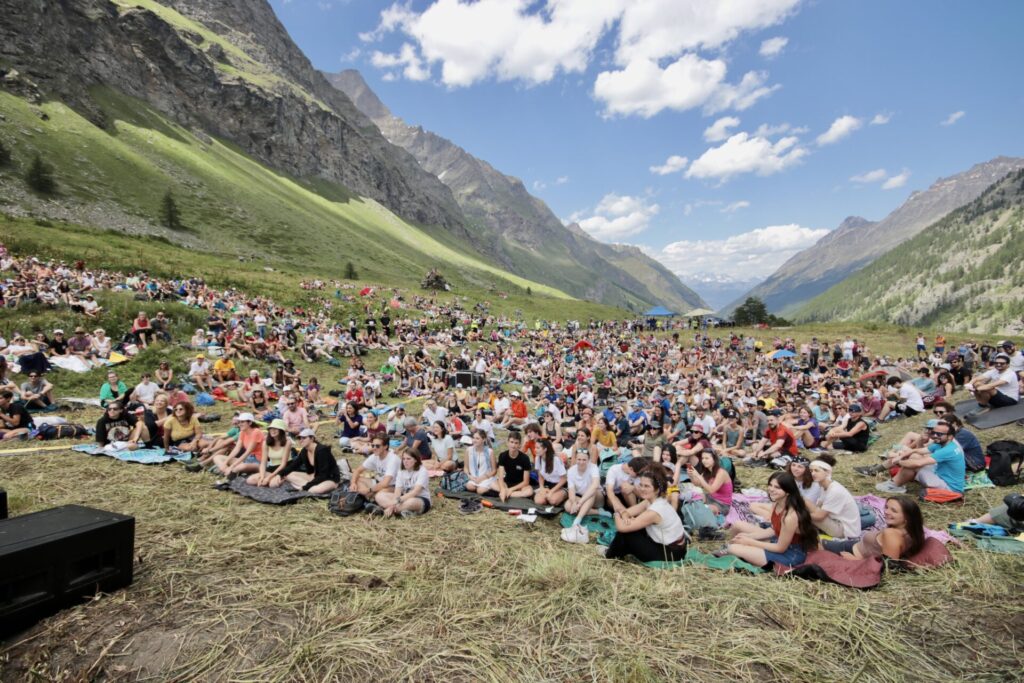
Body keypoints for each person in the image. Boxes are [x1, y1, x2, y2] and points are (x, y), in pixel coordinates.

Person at [725, 472, 819, 568]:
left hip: (790, 554)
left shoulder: (791, 516)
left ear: (788, 491)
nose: (771, 489)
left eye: (777, 487)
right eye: (770, 485)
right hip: (777, 540)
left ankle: (738, 551)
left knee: (733, 548)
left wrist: (750, 541)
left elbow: (780, 548)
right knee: (739, 530)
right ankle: (740, 550)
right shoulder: (777, 503)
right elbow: (773, 530)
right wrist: (750, 536)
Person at [601, 466, 687, 562]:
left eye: (646, 486)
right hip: (673, 547)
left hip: (671, 554)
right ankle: (616, 552)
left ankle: (609, 555)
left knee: (625, 534)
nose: (642, 489)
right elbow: (628, 512)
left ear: (657, 489)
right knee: (633, 528)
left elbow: (621, 527)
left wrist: (616, 513)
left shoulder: (655, 510)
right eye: (641, 485)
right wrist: (626, 517)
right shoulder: (652, 500)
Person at [876, 419, 965, 495]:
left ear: (950, 436)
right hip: (943, 477)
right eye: (934, 432)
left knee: (914, 464)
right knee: (914, 457)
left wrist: (898, 461)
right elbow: (918, 450)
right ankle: (894, 483)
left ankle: (893, 485)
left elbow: (918, 463)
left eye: (939, 434)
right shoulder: (943, 443)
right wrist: (901, 456)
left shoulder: (947, 450)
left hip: (950, 488)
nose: (934, 435)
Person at [822, 496, 925, 560]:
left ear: (907, 517)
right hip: (853, 546)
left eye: (894, 510)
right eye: (887, 507)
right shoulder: (911, 532)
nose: (886, 512)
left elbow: (888, 565)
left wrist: (856, 560)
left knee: (812, 543)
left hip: (850, 551)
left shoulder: (891, 534)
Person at [269, 428, 340, 494]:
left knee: (314, 490)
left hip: (329, 478)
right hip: (314, 476)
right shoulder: (304, 451)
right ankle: (308, 486)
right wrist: (280, 474)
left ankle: (306, 486)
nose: (301, 440)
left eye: (304, 438)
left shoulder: (322, 451)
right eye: (299, 438)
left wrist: (305, 487)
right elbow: (294, 465)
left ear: (312, 438)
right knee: (289, 474)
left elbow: (324, 474)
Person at [805, 457, 861, 540]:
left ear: (827, 472)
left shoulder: (835, 491)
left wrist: (800, 515)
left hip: (845, 530)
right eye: (811, 471)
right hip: (836, 521)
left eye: (816, 471)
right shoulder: (824, 485)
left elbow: (819, 516)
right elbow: (818, 506)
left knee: (800, 516)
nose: (813, 474)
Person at [375, 448, 432, 518]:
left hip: (420, 499)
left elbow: (415, 492)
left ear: (416, 460)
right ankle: (401, 511)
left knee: (410, 502)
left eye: (408, 459)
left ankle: (383, 511)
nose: (405, 461)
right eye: (404, 459)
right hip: (403, 498)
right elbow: (397, 492)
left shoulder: (422, 471)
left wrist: (397, 501)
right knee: (379, 496)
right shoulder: (401, 471)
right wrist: (393, 504)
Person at [561, 449, 604, 542]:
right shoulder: (571, 470)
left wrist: (579, 503)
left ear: (588, 460)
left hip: (597, 497)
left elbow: (595, 485)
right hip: (582, 499)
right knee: (568, 506)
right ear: (575, 459)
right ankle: (598, 512)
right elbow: (571, 490)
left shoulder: (593, 468)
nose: (581, 462)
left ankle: (577, 521)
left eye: (584, 460)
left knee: (591, 492)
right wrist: (573, 502)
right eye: (579, 459)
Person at [247, 419, 294, 486]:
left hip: (284, 467)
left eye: (276, 429)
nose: (273, 431)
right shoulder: (266, 443)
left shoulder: (287, 442)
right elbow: (263, 462)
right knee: (250, 480)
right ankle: (275, 478)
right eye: (271, 429)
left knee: (272, 484)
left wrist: (269, 477)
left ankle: (280, 477)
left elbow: (283, 464)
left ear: (281, 431)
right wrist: (262, 477)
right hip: (272, 467)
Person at [687, 450, 733, 516]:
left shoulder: (721, 472)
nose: (704, 461)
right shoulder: (707, 471)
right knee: (693, 499)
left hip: (722, 504)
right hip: (710, 497)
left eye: (707, 458)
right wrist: (691, 475)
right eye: (702, 458)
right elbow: (697, 484)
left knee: (705, 511)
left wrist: (698, 476)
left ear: (714, 459)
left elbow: (711, 490)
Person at [496, 431, 533, 502]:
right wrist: (503, 489)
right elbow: (500, 477)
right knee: (492, 483)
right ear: (507, 443)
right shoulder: (503, 455)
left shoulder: (525, 458)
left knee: (529, 491)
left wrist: (511, 490)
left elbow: (526, 481)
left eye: (516, 443)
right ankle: (506, 492)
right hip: (507, 482)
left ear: (519, 445)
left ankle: (508, 493)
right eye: (511, 442)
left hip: (520, 484)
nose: (513, 445)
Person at [533, 438, 568, 506]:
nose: (535, 449)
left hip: (560, 486)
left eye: (537, 448)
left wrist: (552, 491)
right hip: (547, 485)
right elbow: (540, 475)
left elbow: (564, 479)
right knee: (539, 501)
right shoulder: (538, 458)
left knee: (553, 500)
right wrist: (542, 487)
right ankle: (547, 495)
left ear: (545, 449)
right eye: (535, 447)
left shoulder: (556, 460)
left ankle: (563, 495)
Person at [464, 429, 497, 494]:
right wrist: (469, 476)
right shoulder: (468, 450)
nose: (474, 440)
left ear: (483, 439)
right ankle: (479, 487)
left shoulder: (490, 451)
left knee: (480, 491)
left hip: (486, 477)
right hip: (473, 478)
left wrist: (483, 478)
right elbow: (465, 467)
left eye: (477, 438)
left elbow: (494, 470)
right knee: (469, 486)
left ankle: (489, 487)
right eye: (473, 438)